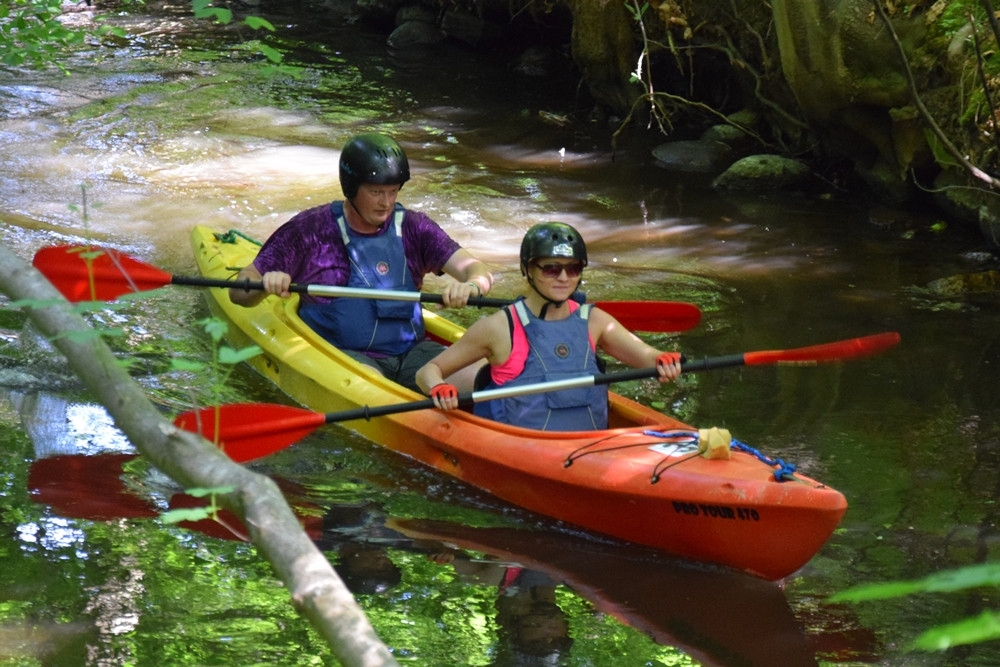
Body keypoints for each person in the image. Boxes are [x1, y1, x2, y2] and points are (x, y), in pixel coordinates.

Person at [229, 132, 494, 392]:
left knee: (489, 375)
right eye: (376, 192)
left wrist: (471, 287)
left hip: (413, 352)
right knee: (373, 388)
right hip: (347, 357)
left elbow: (477, 270)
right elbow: (239, 291)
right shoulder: (310, 231)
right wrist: (265, 283)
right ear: (352, 188)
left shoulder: (415, 228)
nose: (387, 202)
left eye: (393, 191)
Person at [415, 221, 681, 431]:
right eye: (551, 269)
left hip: (590, 447)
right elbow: (429, 370)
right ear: (528, 270)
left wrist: (662, 360)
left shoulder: (595, 321)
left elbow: (646, 356)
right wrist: (438, 387)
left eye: (573, 269)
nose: (564, 278)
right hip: (522, 450)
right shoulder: (499, 328)